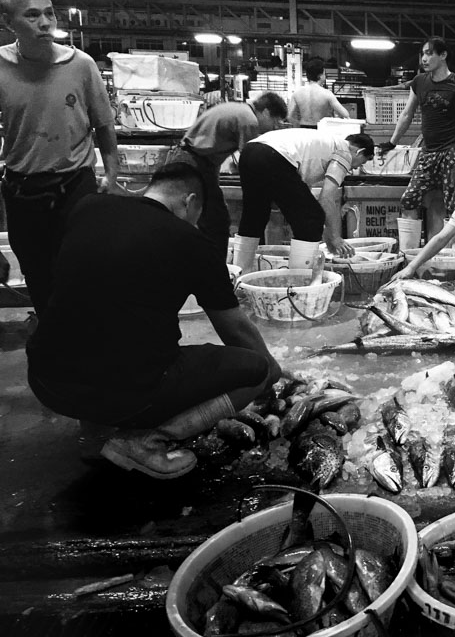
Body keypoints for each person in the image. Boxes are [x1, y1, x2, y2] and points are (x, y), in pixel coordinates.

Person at [26, 163, 281, 479]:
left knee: (94, 327)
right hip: (126, 392)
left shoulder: (89, 207)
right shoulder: (191, 241)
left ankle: (95, 436)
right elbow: (235, 329)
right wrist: (272, 369)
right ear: (189, 202)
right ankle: (146, 442)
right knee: (256, 370)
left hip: (46, 378)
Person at [0, 0, 128, 313]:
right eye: (31, 15)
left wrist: (111, 176)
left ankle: (82, 335)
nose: (45, 22)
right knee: (37, 271)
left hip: (74, 183)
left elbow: (104, 125)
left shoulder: (80, 65)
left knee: (81, 266)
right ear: (7, 22)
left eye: (49, 13)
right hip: (22, 188)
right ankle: (49, 329)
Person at [231, 129, 375, 271]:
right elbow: (327, 199)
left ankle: (239, 275)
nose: (355, 167)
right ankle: (298, 282)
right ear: (359, 151)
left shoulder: (322, 144)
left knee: (255, 216)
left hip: (249, 152)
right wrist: (335, 238)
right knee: (312, 219)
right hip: (274, 156)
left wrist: (327, 233)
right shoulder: (344, 152)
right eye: (362, 162)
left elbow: (304, 195)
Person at [167, 92, 287, 261]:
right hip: (193, 163)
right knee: (217, 222)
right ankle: (216, 271)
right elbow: (251, 162)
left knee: (204, 219)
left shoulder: (239, 110)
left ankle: (205, 265)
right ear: (266, 112)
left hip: (193, 160)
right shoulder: (249, 120)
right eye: (275, 123)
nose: (274, 128)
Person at [388, 37, 455, 250]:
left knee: (454, 206)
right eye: (423, 54)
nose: (424, 58)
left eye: (429, 53)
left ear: (443, 55)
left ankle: (449, 260)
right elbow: (406, 114)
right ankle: (409, 256)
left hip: (453, 152)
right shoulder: (419, 82)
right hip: (428, 152)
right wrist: (392, 142)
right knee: (408, 199)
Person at [288, 57, 351, 127]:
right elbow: (345, 114)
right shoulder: (327, 94)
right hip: (321, 130)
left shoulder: (297, 93)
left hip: (303, 130)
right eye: (324, 73)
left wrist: (298, 125)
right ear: (320, 76)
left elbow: (289, 116)